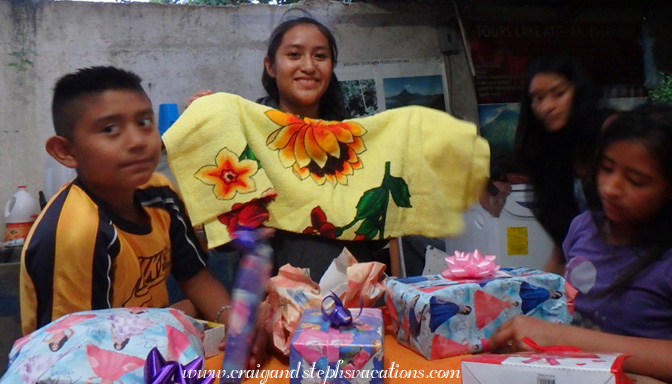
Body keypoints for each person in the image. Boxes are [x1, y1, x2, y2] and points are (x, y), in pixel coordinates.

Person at [19, 66, 266, 368]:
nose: (137, 141)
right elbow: (74, 351)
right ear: (66, 151)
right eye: (110, 129)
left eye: (145, 122)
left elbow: (196, 278)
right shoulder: (77, 232)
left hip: (155, 351)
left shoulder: (159, 194)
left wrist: (238, 330)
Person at [187, 14, 392, 282]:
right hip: (273, 302)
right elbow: (224, 239)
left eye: (320, 56)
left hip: (355, 304)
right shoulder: (241, 137)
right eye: (294, 55)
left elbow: (381, 233)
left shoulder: (356, 143)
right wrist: (209, 130)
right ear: (271, 66)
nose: (308, 66)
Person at [490, 103, 672, 382]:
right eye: (607, 168)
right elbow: (560, 305)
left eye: (635, 181)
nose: (611, 188)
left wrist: (566, 338)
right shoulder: (583, 227)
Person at [514, 53, 616, 274]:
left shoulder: (613, 132)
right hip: (592, 277)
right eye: (537, 98)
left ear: (579, 93)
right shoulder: (552, 154)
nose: (546, 107)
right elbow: (563, 248)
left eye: (558, 94)